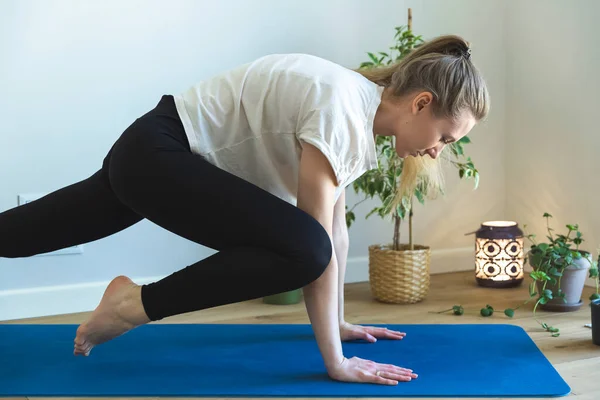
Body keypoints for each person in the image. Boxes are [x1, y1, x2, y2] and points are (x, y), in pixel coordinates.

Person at [0, 34, 489, 386]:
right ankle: (132, 304)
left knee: (19, 235)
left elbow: (336, 236)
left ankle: (130, 301)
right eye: (445, 138)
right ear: (422, 103)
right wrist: (335, 361)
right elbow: (314, 245)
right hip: (159, 156)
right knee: (301, 248)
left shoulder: (357, 115)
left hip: (154, 158)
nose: (437, 152)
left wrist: (337, 321)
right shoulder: (343, 108)